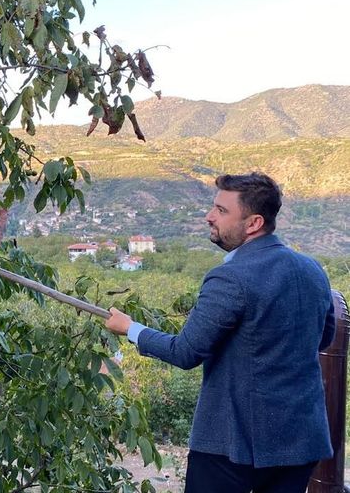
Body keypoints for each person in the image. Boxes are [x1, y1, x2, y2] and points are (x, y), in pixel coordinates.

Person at [105, 173, 335, 493]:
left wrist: (131, 329)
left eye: (221, 211)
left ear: (253, 223)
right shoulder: (314, 271)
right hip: (300, 442)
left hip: (233, 446)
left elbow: (185, 352)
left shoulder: (230, 277)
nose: (209, 216)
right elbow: (322, 339)